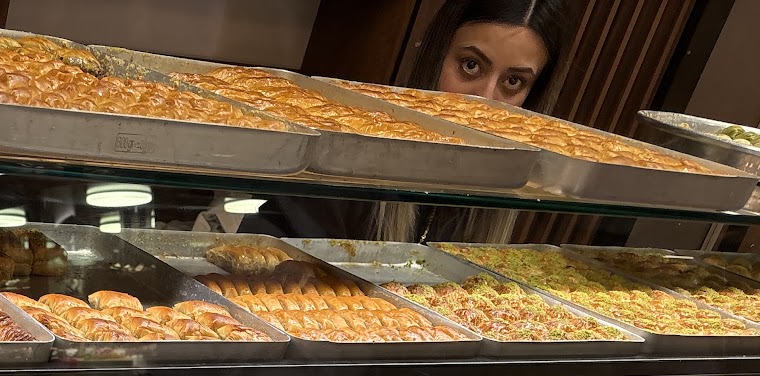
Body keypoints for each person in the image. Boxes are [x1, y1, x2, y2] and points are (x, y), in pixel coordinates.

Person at [241, 0, 576, 244]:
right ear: (435, 54)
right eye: (471, 65)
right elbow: (262, 249)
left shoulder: (509, 188)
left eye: (513, 82)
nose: (484, 101)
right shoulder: (350, 151)